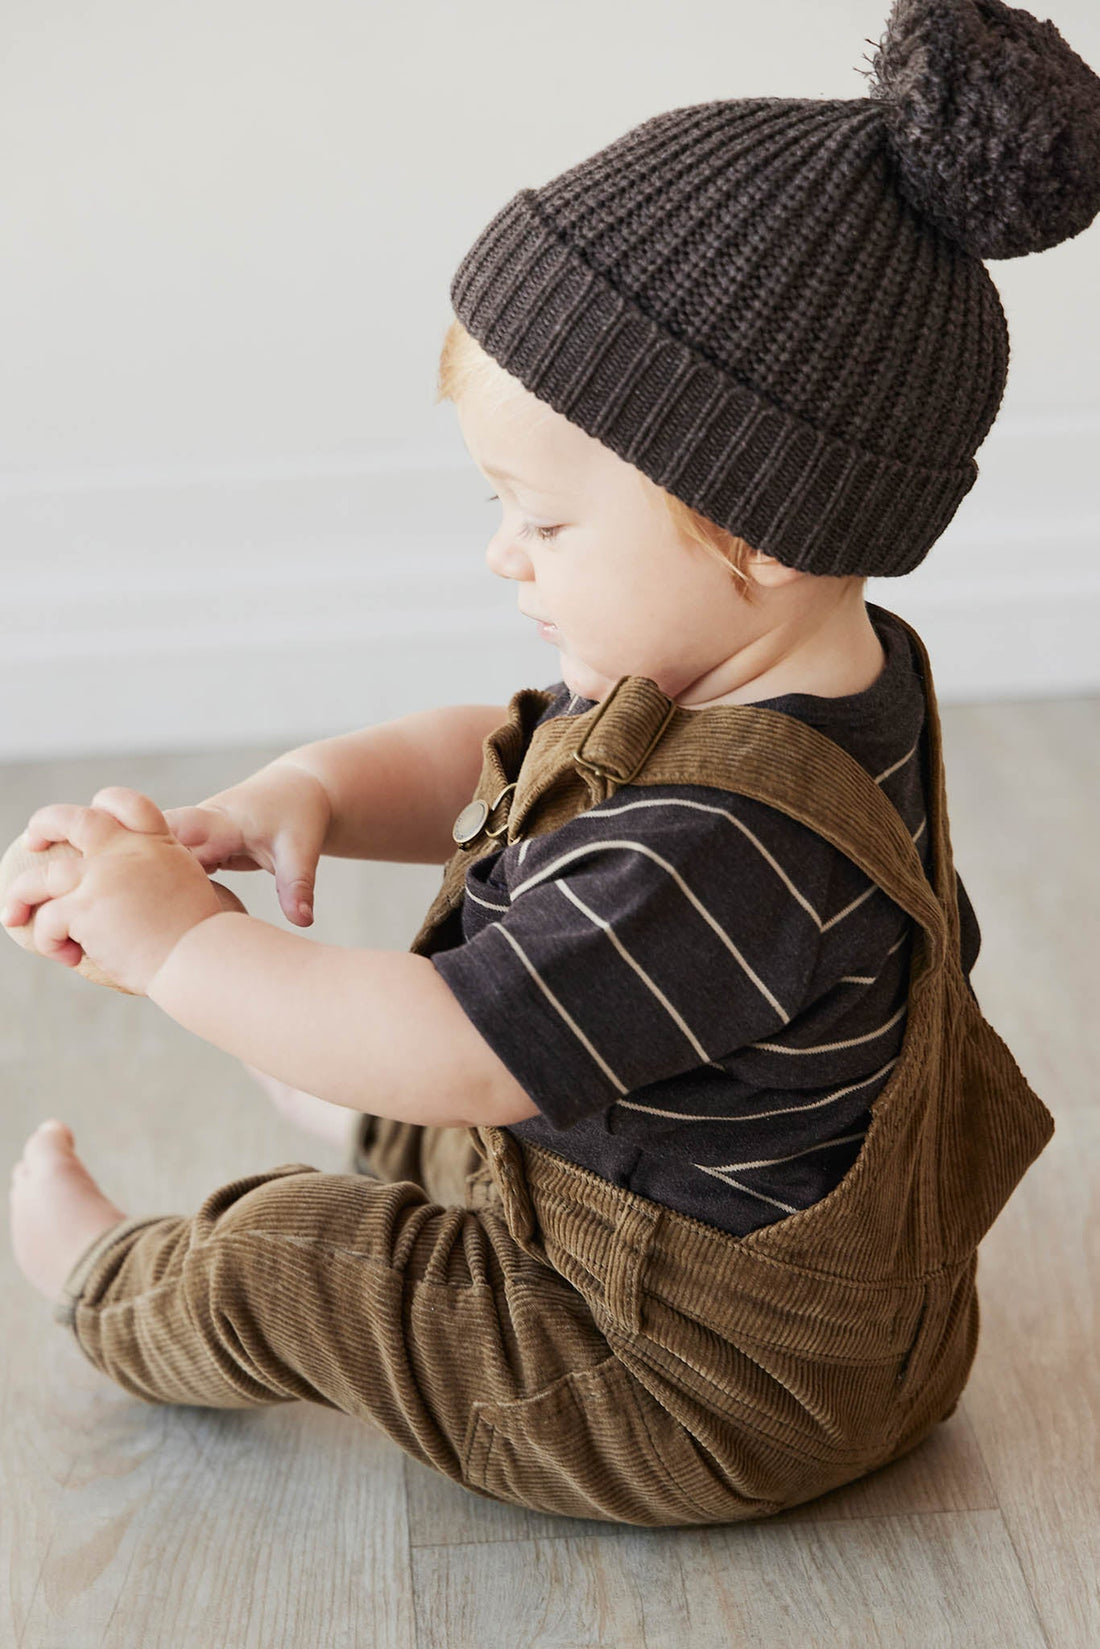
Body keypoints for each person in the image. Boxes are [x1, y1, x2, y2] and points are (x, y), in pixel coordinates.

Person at [5, 0, 1096, 1525]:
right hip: (765, 1282)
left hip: (687, 1386)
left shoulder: (724, 856)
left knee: (319, 1260)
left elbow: (457, 1037)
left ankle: (117, 1286)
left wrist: (177, 940)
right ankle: (389, 1133)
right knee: (481, 1090)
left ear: (758, 525)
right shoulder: (817, 684)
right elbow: (502, 750)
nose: (504, 555)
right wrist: (301, 793)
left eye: (547, 518)